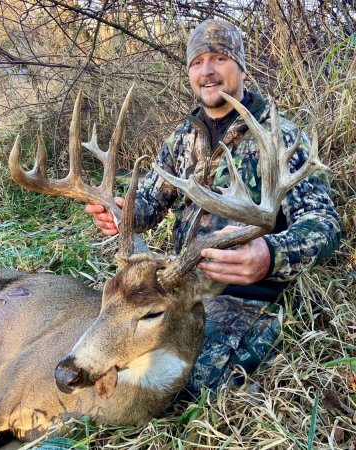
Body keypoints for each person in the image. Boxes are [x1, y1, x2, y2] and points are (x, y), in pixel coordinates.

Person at [85, 19, 341, 395]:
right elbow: (150, 205)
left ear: (240, 66)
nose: (207, 71)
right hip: (176, 285)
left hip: (245, 292)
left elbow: (324, 224)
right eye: (197, 62)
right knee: (102, 345)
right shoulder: (181, 137)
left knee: (184, 383)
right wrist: (122, 213)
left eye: (219, 58)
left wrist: (270, 255)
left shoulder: (281, 137)